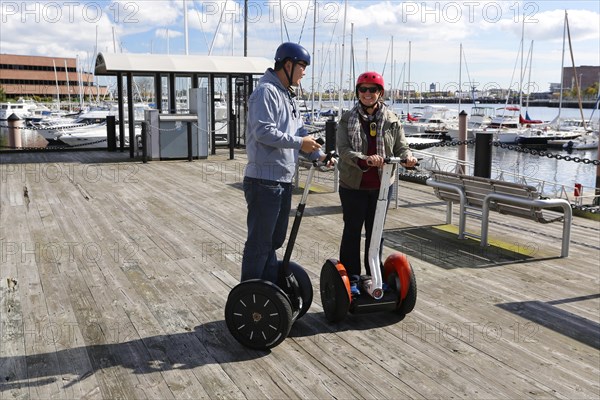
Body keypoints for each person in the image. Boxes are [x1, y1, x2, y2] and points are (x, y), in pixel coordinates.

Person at [241, 42, 326, 284]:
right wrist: (300, 143)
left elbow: (298, 132)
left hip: (282, 179)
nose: (304, 72)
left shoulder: (286, 94)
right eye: (302, 66)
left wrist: (317, 155)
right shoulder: (266, 92)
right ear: (287, 65)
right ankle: (250, 296)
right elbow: (263, 132)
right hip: (264, 181)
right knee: (259, 243)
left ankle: (267, 289)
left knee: (274, 240)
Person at [336, 71, 418, 295]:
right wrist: (364, 159)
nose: (368, 94)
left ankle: (373, 275)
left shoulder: (392, 119)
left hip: (382, 184)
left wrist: (408, 157)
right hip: (354, 184)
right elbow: (342, 150)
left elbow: (402, 147)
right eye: (363, 90)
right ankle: (352, 278)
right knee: (352, 230)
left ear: (380, 93)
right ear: (357, 93)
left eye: (373, 90)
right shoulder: (347, 119)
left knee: (376, 231)